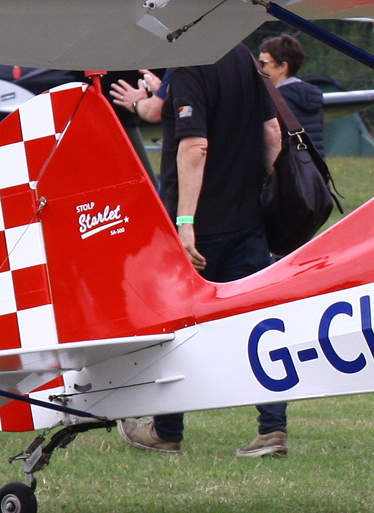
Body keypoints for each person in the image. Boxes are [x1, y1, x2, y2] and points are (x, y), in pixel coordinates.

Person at [111, 44, 291, 458]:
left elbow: (195, 147)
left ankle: (167, 430)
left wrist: (186, 223)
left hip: (199, 231)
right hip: (248, 221)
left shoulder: (191, 62)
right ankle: (273, 429)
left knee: (175, 326)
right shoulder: (246, 58)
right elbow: (271, 135)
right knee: (256, 322)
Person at [257, 34, 324, 157]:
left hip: (286, 171)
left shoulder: (273, 100)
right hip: (313, 171)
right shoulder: (312, 96)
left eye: (262, 63)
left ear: (283, 67)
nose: (259, 68)